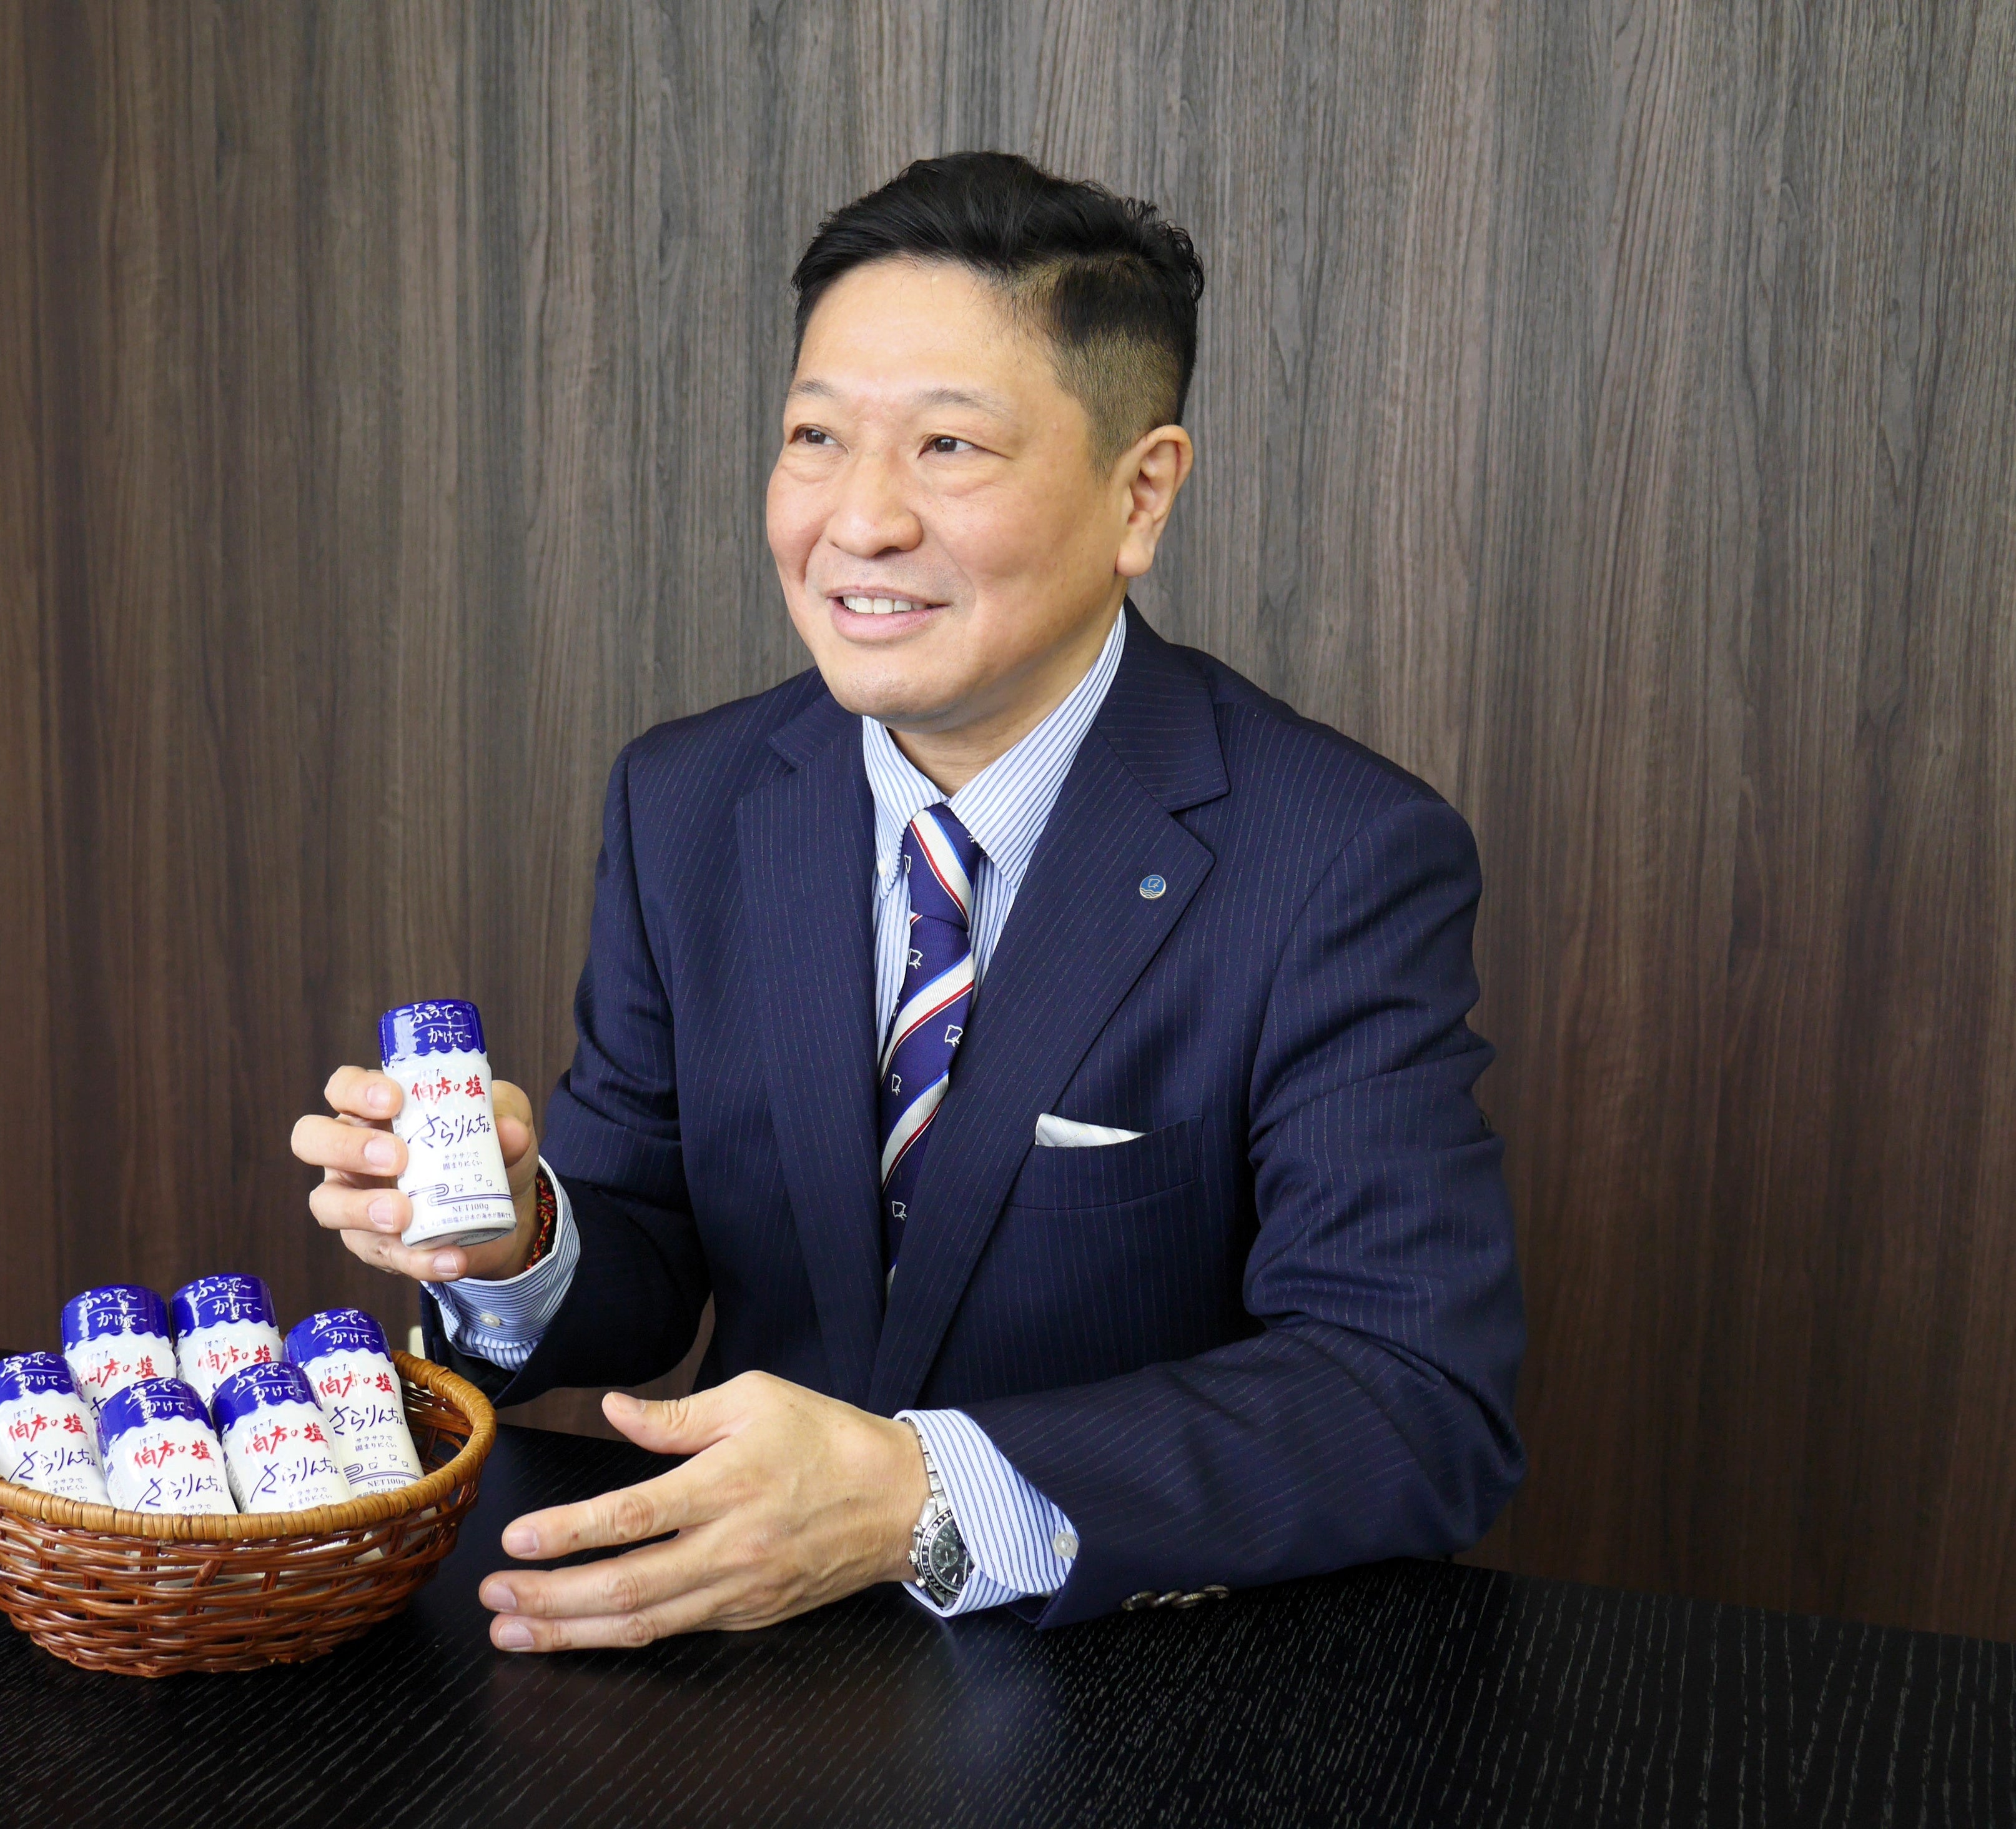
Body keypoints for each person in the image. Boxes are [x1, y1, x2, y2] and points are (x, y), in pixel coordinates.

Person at [292, 152, 1524, 1651]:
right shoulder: (690, 800)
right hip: (743, 1658)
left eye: (949, 445)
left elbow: (1411, 1398)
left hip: (1134, 1676)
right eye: (815, 436)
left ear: (1141, 493)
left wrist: (914, 1496)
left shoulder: (1335, 854)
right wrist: (517, 1240)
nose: (859, 522)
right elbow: (648, 1253)